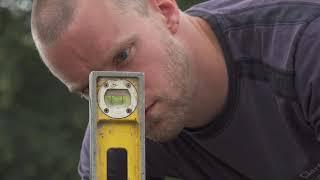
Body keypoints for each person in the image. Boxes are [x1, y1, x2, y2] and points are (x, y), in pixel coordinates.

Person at [30, 0, 320, 179]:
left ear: (165, 12)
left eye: (122, 57)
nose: (123, 98)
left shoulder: (304, 48)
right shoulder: (118, 131)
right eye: (90, 89)